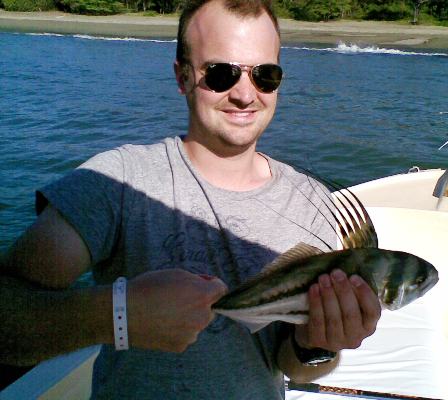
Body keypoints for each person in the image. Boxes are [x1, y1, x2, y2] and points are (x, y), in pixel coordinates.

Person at [0, 0, 381, 398]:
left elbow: (293, 366)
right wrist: (118, 315)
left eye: (265, 76)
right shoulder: (118, 181)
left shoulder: (313, 203)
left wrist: (319, 344)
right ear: (182, 77)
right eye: (221, 74)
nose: (245, 95)